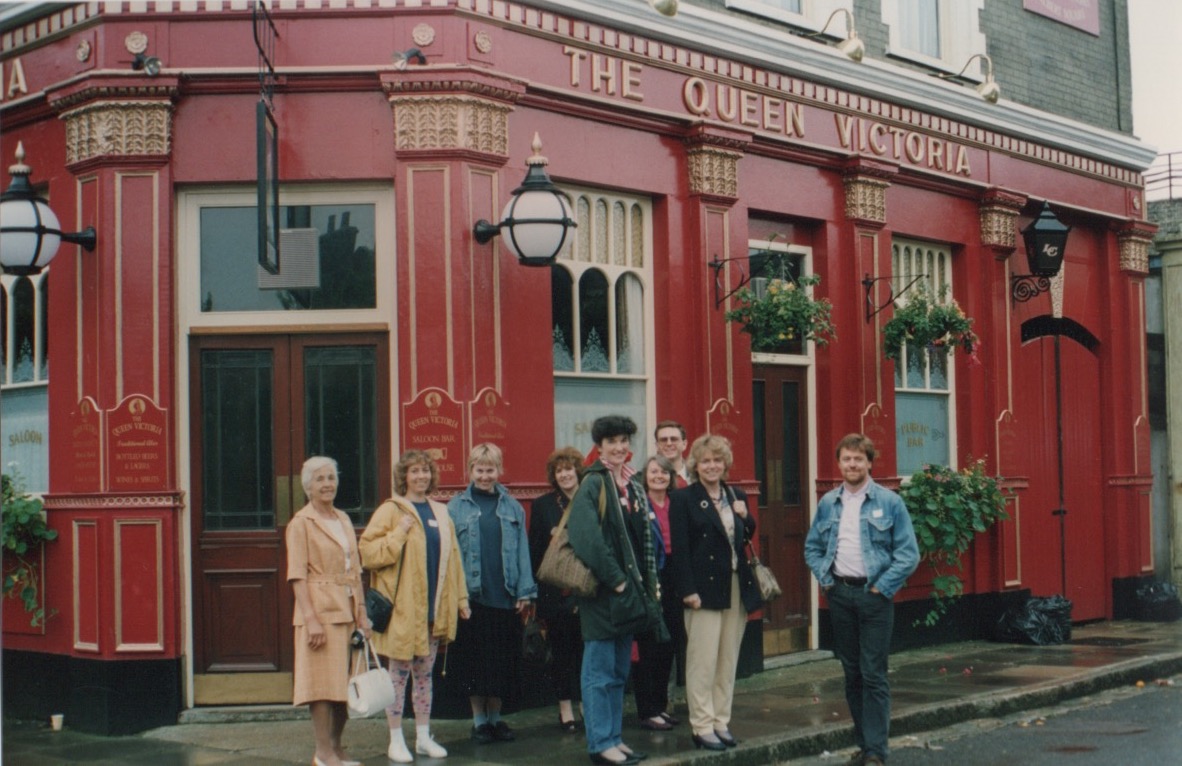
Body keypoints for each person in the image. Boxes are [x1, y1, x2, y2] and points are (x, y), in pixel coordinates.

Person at [803, 434, 919, 766]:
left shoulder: (890, 502)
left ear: (869, 463)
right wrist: (827, 582)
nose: (852, 464)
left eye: (858, 459)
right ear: (839, 464)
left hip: (874, 597)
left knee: (873, 674)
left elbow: (908, 554)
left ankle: (876, 752)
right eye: (846, 459)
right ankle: (864, 743)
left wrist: (881, 588)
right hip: (840, 595)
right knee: (851, 672)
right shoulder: (828, 503)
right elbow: (812, 547)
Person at [359, 450, 471, 763]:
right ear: (404, 477)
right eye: (414, 472)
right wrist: (399, 532)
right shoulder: (391, 511)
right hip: (403, 613)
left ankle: (423, 737)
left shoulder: (441, 510)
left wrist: (461, 599)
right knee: (398, 676)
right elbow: (368, 553)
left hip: (433, 611)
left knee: (425, 676)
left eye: (425, 471)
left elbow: (455, 560)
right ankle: (395, 739)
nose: (421, 476)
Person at [567, 415, 663, 766]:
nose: (620, 447)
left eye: (624, 440)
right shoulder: (593, 483)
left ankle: (613, 738)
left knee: (620, 672)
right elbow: (586, 538)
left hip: (626, 596)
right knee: (599, 673)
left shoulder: (628, 484)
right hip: (603, 595)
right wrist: (617, 580)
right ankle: (600, 744)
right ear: (600, 446)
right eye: (612, 442)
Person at [668, 434, 760, 752]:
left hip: (736, 585)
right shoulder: (683, 499)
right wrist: (688, 591)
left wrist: (746, 516)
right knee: (702, 661)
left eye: (717, 460)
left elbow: (745, 535)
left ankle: (721, 720)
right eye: (705, 460)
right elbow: (679, 550)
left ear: (725, 464)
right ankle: (702, 724)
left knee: (727, 659)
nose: (711, 466)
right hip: (703, 590)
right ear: (695, 464)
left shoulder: (735, 495)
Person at [447, 443, 538, 745]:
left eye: (490, 470)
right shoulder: (456, 507)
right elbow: (451, 555)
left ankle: (496, 719)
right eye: (479, 470)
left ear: (499, 471)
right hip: (472, 598)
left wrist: (525, 591)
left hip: (506, 594)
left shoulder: (511, 506)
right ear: (470, 470)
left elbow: (523, 550)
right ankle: (479, 722)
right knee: (475, 663)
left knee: (501, 663)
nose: (485, 476)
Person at [286, 456, 370, 766]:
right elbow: (297, 574)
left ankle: (336, 746)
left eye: (331, 478)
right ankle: (322, 752)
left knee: (347, 684)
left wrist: (362, 611)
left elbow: (356, 570)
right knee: (322, 685)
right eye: (320, 479)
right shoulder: (300, 523)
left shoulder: (344, 519)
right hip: (319, 612)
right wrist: (310, 620)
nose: (327, 484)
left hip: (348, 610)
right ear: (308, 486)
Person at [528, 446, 587, 732]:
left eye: (569, 469)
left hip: (587, 590)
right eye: (559, 470)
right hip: (556, 591)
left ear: (578, 471)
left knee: (587, 650)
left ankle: (586, 704)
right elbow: (535, 552)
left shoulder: (590, 499)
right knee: (563, 652)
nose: (565, 474)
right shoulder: (543, 506)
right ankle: (565, 709)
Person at [631, 455, 683, 731]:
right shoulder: (639, 505)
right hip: (651, 576)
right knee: (648, 646)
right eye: (653, 471)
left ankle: (661, 707)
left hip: (675, 575)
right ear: (645, 476)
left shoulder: (677, 503)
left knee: (669, 645)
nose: (659, 476)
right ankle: (647, 710)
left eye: (664, 472)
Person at [654, 420, 690, 487]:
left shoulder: (698, 476)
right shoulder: (648, 479)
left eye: (674, 439)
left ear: (684, 444)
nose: (669, 443)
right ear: (657, 446)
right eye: (664, 440)